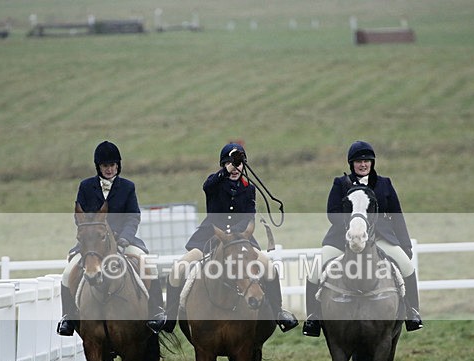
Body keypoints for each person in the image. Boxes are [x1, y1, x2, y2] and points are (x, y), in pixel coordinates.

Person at [163, 142, 298, 333]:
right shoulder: (214, 183)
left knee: (268, 267)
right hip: (209, 238)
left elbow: (248, 217)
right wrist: (226, 170)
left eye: (239, 164)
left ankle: (278, 313)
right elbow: (207, 186)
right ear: (223, 165)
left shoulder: (249, 189)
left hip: (241, 240)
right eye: (230, 163)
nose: (236, 168)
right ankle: (169, 317)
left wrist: (234, 235)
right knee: (178, 269)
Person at [302, 140, 423, 336]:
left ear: (372, 162)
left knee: (407, 267)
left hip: (380, 237)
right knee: (314, 270)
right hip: (343, 238)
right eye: (359, 161)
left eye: (367, 160)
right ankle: (312, 319)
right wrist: (353, 229)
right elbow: (332, 213)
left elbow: (397, 216)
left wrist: (405, 245)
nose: (363, 164)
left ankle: (413, 312)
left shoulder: (384, 184)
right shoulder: (340, 183)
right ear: (352, 164)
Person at [57, 140, 167, 336]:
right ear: (98, 167)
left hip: (124, 241)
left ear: (118, 165)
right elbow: (79, 217)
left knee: (148, 265)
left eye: (112, 165)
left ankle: (156, 311)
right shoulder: (85, 187)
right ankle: (67, 317)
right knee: (67, 272)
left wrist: (124, 238)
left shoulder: (127, 187)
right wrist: (91, 235)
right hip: (92, 243)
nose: (109, 169)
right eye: (105, 166)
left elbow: (133, 216)